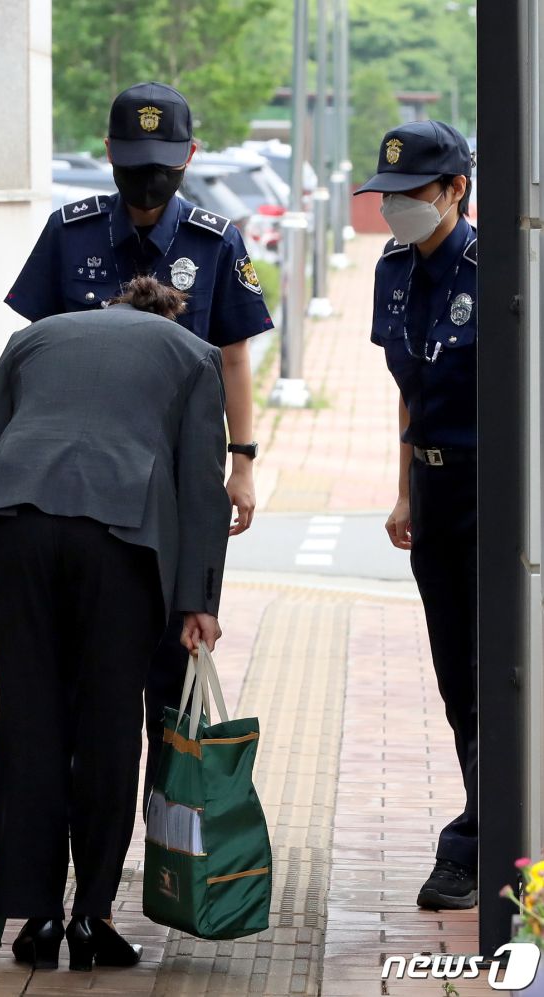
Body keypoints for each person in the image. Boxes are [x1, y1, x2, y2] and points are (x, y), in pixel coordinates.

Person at [4, 81, 272, 811]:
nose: (147, 177)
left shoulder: (216, 242)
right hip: (78, 491)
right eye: (133, 159)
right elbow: (29, 352)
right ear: (110, 154)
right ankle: (81, 819)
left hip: (176, 493)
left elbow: (234, 356)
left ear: (189, 155)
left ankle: (163, 826)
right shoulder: (72, 232)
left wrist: (243, 461)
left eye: (162, 159)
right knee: (74, 670)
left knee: (174, 658)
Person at [0, 276, 231, 969]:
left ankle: (37, 916)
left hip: (15, 532)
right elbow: (201, 483)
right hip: (120, 539)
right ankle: (92, 917)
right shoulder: (194, 354)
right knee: (108, 725)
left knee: (31, 721)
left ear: (109, 308)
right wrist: (199, 599)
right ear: (168, 314)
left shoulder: (33, 339)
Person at [355, 120, 477, 910]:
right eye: (388, 195)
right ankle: (488, 817)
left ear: (455, 190)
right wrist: (403, 490)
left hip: (494, 493)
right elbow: (409, 388)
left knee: (497, 668)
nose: (396, 209)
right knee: (457, 676)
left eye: (412, 195)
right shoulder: (393, 269)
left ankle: (479, 838)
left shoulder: (498, 269)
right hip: (434, 494)